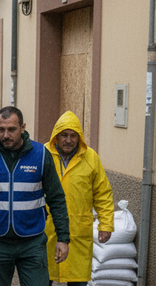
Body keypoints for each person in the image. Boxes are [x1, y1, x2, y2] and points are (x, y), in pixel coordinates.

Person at [0, 106, 70, 286]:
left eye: (11, 129)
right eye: (1, 129)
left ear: (22, 128)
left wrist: (63, 238)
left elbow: (56, 198)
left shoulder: (40, 155)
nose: (5, 135)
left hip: (32, 241)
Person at [45, 111, 114, 286]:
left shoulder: (90, 157)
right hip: (47, 230)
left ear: (79, 137)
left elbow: (103, 193)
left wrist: (106, 224)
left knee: (78, 280)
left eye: (73, 135)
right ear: (56, 136)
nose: (68, 140)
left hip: (78, 232)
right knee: (42, 277)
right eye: (64, 135)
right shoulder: (43, 154)